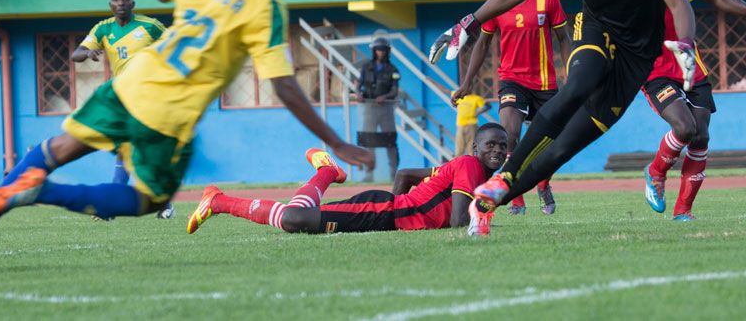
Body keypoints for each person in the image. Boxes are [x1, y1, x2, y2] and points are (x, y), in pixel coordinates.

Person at [0, 0, 375, 270]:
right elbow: (284, 85)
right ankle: (38, 194)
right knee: (150, 200)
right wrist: (335, 142)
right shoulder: (266, 4)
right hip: (168, 115)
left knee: (55, 149)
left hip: (130, 82)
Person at [428, 0, 698, 237]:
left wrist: (686, 43)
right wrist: (470, 22)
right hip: (595, 30)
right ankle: (507, 173)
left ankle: (488, 202)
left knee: (560, 151)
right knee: (577, 85)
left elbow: (678, 1)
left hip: (636, 59)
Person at [643, 0, 746, 220]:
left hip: (691, 67)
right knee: (685, 128)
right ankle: (656, 172)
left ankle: (683, 212)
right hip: (654, 71)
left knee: (701, 136)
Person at [188, 125, 507, 235]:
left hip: (387, 214)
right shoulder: (469, 165)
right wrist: (397, 212)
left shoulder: (465, 167)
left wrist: (399, 215)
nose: (496, 150)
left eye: (502, 146)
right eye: (490, 144)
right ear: (475, 146)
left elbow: (405, 174)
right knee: (295, 219)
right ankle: (218, 201)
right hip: (383, 212)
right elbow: (455, 221)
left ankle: (326, 172)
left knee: (300, 221)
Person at [454, 0, 571, 215]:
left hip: (545, 84)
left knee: (553, 143)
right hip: (511, 80)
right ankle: (515, 196)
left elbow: (563, 38)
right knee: (509, 136)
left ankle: (543, 183)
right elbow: (482, 44)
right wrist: (467, 83)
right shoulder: (498, 3)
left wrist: (571, 74)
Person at [70, 0, 172, 218]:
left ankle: (122, 204)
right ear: (111, 4)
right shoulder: (103, 29)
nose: (121, 2)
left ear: (132, 3)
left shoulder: (150, 26)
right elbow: (76, 54)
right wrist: (88, 52)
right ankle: (158, 203)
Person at [355, 36, 401, 182]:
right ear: (374, 51)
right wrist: (358, 94)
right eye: (378, 50)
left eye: (383, 50)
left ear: (387, 51)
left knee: (390, 141)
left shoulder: (393, 69)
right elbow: (358, 85)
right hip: (369, 108)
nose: (380, 52)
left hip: (386, 109)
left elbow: (395, 90)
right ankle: (369, 174)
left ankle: (393, 173)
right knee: (369, 141)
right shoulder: (365, 67)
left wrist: (385, 96)